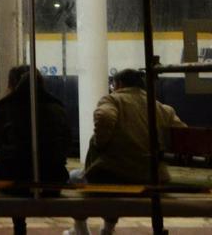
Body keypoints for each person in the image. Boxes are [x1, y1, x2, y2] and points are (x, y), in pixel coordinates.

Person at [66, 69, 187, 235]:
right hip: (154, 179)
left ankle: (80, 230)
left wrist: (100, 142)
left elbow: (105, 117)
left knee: (74, 178)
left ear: (119, 84)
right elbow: (182, 134)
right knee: (108, 182)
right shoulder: (160, 107)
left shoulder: (113, 100)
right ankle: (107, 229)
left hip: (115, 177)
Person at [0, 65, 71, 235]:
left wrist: (4, 155)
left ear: (12, 84)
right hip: (52, 181)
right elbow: (66, 143)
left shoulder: (5, 108)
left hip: (12, 181)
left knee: (11, 177)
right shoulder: (57, 108)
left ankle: (19, 226)